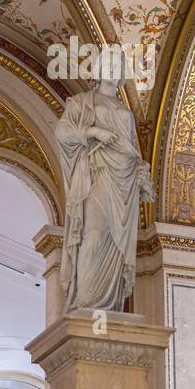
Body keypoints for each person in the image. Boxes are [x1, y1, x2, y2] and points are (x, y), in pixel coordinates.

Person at [55, 62, 154, 313]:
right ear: (98, 71)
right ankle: (86, 300)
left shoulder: (126, 112)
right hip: (97, 173)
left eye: (118, 66)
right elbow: (62, 132)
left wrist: (140, 173)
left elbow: (131, 150)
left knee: (115, 240)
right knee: (94, 232)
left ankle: (111, 304)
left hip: (124, 182)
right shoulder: (82, 102)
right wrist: (93, 131)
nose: (113, 69)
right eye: (108, 64)